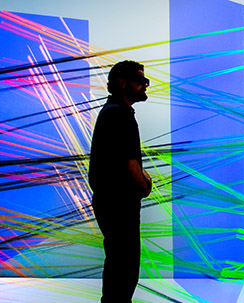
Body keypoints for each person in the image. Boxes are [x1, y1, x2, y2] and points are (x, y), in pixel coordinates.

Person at [88, 60, 152, 302]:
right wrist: (145, 184)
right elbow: (130, 163)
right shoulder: (120, 114)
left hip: (110, 201)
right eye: (140, 79)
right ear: (122, 83)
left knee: (118, 261)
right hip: (119, 204)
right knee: (125, 265)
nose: (145, 83)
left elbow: (126, 159)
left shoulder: (112, 111)